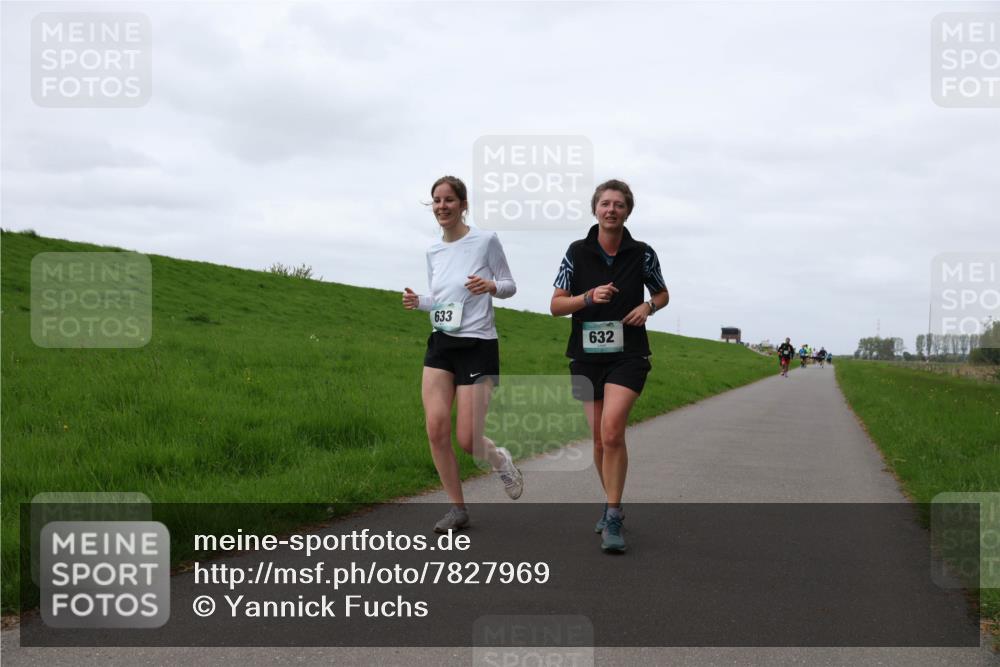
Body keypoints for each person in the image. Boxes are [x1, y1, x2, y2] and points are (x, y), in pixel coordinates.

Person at [550, 179, 669, 553]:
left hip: (628, 354)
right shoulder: (576, 252)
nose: (611, 209)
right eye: (605, 203)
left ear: (627, 211)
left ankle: (614, 514)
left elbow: (662, 293)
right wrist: (587, 297)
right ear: (595, 209)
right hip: (586, 357)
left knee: (613, 430)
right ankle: (610, 501)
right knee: (599, 439)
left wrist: (648, 307)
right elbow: (556, 305)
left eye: (619, 204)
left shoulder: (643, 253)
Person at [402, 176, 523, 533]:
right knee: (436, 429)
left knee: (468, 439)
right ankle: (457, 509)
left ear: (463, 203)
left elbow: (510, 286)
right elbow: (442, 300)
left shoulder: (485, 240)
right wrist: (419, 302)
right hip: (441, 344)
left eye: (449, 200)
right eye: (436, 200)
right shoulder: (433, 251)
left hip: (478, 345)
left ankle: (501, 461)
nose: (442, 206)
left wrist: (490, 286)